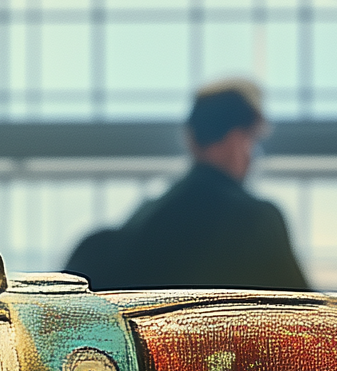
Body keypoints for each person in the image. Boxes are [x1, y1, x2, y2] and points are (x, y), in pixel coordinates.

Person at [64, 80, 307, 292]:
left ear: (190, 138)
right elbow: (308, 320)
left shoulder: (143, 221)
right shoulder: (258, 221)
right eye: (253, 141)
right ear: (237, 140)